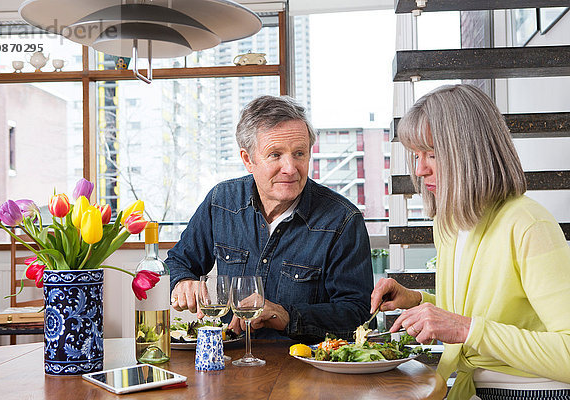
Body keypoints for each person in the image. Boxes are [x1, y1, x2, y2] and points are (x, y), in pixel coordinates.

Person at [371, 84, 570, 399]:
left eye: (433, 154)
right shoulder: (450, 223)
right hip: (477, 388)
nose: (421, 169)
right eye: (417, 155)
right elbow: (478, 315)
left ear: (470, 153)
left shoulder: (530, 226)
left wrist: (465, 329)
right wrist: (419, 301)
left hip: (535, 392)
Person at [166, 95, 374, 342]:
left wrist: (286, 315)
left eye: (299, 153)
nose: (290, 168)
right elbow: (178, 262)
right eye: (275, 155)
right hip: (229, 364)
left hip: (305, 370)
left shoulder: (343, 220)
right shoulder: (221, 201)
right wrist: (182, 281)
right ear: (248, 160)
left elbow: (358, 314)